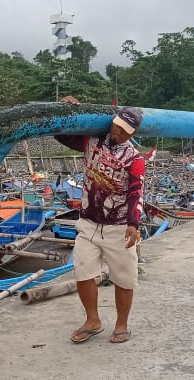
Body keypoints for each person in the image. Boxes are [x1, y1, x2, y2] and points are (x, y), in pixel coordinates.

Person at [55, 96, 145, 345]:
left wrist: (133, 223)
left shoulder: (135, 158)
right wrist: (67, 110)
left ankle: (122, 324)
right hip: (89, 222)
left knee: (124, 277)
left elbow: (137, 191)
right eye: (116, 125)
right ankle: (92, 320)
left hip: (118, 227)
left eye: (124, 130)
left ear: (132, 133)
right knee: (82, 271)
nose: (117, 131)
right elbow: (61, 135)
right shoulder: (92, 141)